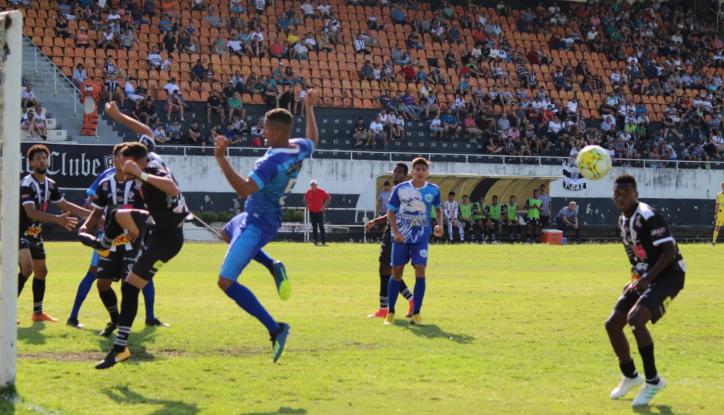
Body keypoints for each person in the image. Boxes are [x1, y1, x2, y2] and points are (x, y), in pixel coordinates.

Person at [210, 89, 319, 363]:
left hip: (257, 222)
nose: (263, 133)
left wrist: (222, 158)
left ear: (278, 133)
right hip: (262, 216)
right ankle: (273, 266)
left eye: (267, 130)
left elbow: (244, 190)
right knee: (225, 233)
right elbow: (313, 140)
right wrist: (309, 107)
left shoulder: (271, 162)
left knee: (225, 281)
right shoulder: (296, 147)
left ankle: (276, 328)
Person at [605, 174, 686, 406]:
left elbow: (668, 251)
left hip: (670, 276)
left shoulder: (648, 215)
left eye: (626, 194)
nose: (620, 198)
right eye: (617, 194)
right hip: (646, 276)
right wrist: (636, 278)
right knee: (612, 324)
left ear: (636, 194)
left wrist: (647, 279)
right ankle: (631, 376)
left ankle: (653, 380)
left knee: (635, 319)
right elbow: (637, 256)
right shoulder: (622, 220)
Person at [18, 145, 90, 323]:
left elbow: (66, 205)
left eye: (44, 157)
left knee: (41, 271)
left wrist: (93, 215)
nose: (42, 161)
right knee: (27, 268)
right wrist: (57, 219)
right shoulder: (27, 184)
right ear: (31, 163)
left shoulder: (50, 184)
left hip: (35, 234)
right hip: (19, 232)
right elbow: (31, 213)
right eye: (38, 158)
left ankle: (37, 313)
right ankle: (6, 311)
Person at [385, 157, 443, 326]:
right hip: (401, 237)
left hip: (421, 238)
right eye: (417, 169)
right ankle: (390, 312)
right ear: (412, 171)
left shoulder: (433, 189)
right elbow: (391, 212)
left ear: (427, 173)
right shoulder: (400, 188)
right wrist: (395, 232)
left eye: (423, 169)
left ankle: (416, 313)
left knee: (420, 270)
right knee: (397, 272)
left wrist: (439, 225)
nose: (420, 172)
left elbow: (438, 209)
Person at [364, 163, 415, 319]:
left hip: (395, 234)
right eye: (394, 171)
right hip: (393, 232)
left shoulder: (404, 192)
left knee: (387, 270)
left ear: (406, 176)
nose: (396, 174)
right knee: (389, 271)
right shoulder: (398, 190)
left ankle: (386, 308)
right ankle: (398, 304)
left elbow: (391, 215)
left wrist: (375, 221)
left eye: (400, 172)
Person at [304, 179, 331, 246]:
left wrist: (324, 207)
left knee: (321, 227)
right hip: (312, 211)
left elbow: (329, 198)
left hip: (319, 212)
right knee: (314, 227)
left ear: (316, 185)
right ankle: (315, 242)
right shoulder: (308, 192)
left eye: (314, 184)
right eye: (312, 184)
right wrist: (307, 205)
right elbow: (305, 198)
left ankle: (323, 242)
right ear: (310, 185)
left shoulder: (321, 191)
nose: (313, 186)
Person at [713, 181, 724, 245]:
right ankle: (713, 242)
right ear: (722, 187)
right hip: (720, 214)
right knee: (717, 228)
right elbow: (717, 205)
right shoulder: (719, 195)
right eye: (723, 186)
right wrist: (715, 214)